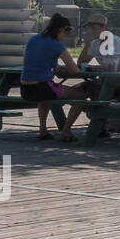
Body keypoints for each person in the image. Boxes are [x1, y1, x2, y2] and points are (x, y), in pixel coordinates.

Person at [20, 13, 83, 142]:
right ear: (61, 30)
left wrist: (56, 67)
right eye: (66, 33)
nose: (64, 37)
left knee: (47, 96)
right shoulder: (56, 45)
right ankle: (66, 132)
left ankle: (43, 130)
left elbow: (41, 59)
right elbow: (75, 71)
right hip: (42, 88)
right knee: (80, 96)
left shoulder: (33, 39)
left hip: (25, 89)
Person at [64, 15, 120, 134]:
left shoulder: (115, 41)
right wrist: (87, 44)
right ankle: (98, 120)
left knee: (91, 89)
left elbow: (112, 67)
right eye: (89, 28)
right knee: (75, 92)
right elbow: (81, 63)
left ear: (104, 27)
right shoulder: (95, 43)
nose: (91, 31)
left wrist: (94, 68)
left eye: (94, 28)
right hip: (104, 80)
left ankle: (100, 122)